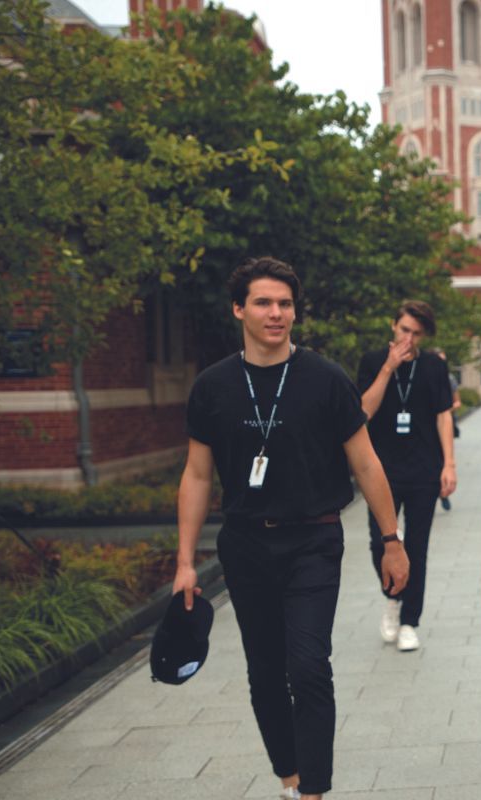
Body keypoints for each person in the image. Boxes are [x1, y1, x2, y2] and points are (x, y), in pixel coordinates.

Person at [173, 257, 410, 800]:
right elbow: (196, 474)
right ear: (239, 309)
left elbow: (367, 463)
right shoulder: (213, 386)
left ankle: (314, 792)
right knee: (264, 671)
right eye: (263, 302)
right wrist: (186, 562)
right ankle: (289, 774)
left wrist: (391, 541)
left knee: (308, 665)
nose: (276, 313)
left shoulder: (324, 378)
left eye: (284, 304)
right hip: (246, 544)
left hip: (314, 539)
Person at [357, 300, 456, 652]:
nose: (408, 338)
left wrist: (449, 464)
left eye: (416, 333)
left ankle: (410, 621)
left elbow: (444, 416)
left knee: (417, 546)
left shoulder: (432, 367)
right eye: (404, 330)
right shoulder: (372, 362)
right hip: (380, 471)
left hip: (424, 469)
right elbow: (364, 411)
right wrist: (388, 369)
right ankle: (393, 596)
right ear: (393, 326)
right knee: (379, 542)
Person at [431, 348, 463, 511]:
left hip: (445, 426)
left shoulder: (449, 379)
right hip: (427, 431)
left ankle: (443, 493)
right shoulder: (425, 377)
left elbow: (457, 402)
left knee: (443, 461)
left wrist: (445, 411)